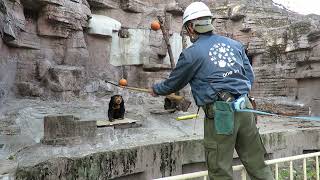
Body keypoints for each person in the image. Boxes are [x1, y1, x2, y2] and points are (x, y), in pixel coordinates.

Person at [150, 2, 274, 180]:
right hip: (245, 108)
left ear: (191, 26)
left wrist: (156, 89)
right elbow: (249, 77)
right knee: (258, 166)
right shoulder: (235, 45)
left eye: (187, 28)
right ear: (210, 22)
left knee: (220, 171)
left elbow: (173, 84)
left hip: (221, 114)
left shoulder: (191, 54)